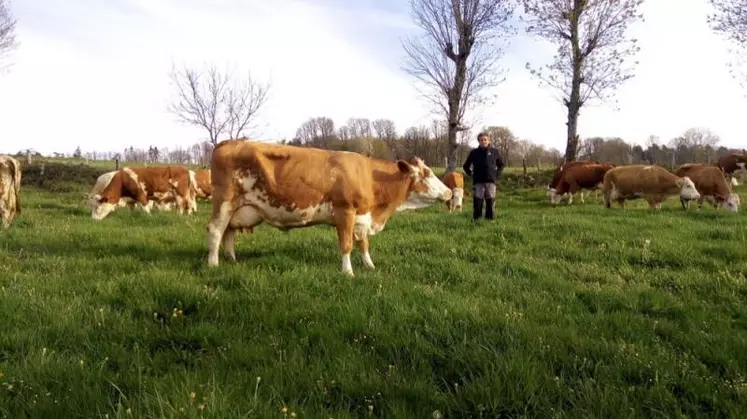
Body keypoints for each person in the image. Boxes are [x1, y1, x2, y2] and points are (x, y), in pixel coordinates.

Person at [462, 132, 505, 221]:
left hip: (491, 181)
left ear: (489, 140)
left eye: (485, 139)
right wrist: (471, 174)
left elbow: (501, 165)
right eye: (481, 140)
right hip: (478, 182)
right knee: (478, 201)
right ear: (479, 141)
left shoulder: (494, 152)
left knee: (490, 201)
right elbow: (465, 166)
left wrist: (497, 175)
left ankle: (490, 219)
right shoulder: (474, 152)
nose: (483, 141)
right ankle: (477, 219)